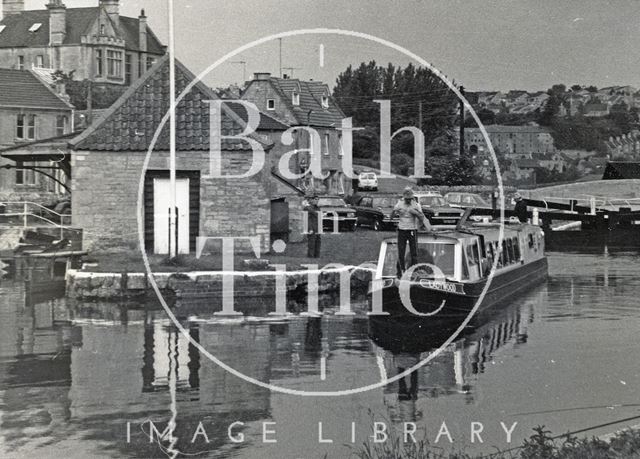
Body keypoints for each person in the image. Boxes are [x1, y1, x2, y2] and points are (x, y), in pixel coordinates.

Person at [391, 187, 432, 276]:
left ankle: (414, 271)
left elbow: (422, 217)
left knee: (414, 252)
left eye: (410, 198)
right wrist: (396, 212)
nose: (409, 200)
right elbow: (392, 216)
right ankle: (400, 271)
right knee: (401, 251)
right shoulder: (399, 204)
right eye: (407, 198)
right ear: (404, 198)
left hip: (412, 230)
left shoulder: (416, 205)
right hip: (402, 230)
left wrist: (417, 216)